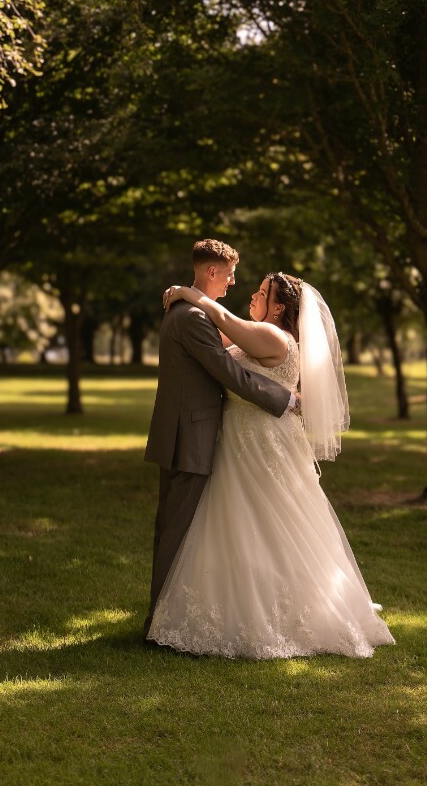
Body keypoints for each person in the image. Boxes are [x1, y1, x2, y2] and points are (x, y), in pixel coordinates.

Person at [146, 271, 395, 658]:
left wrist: (186, 292)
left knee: (270, 521)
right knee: (246, 524)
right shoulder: (257, 334)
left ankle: (285, 612)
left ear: (278, 308)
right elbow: (213, 339)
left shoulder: (272, 336)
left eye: (263, 294)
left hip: (262, 439)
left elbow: (222, 320)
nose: (254, 295)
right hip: (243, 436)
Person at [142, 240, 297, 641]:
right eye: (229, 274)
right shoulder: (194, 317)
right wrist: (286, 399)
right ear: (212, 272)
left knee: (175, 528)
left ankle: (162, 618)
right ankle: (160, 623)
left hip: (188, 432)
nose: (233, 282)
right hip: (190, 436)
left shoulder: (190, 310)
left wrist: (183, 291)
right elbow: (230, 374)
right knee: (177, 532)